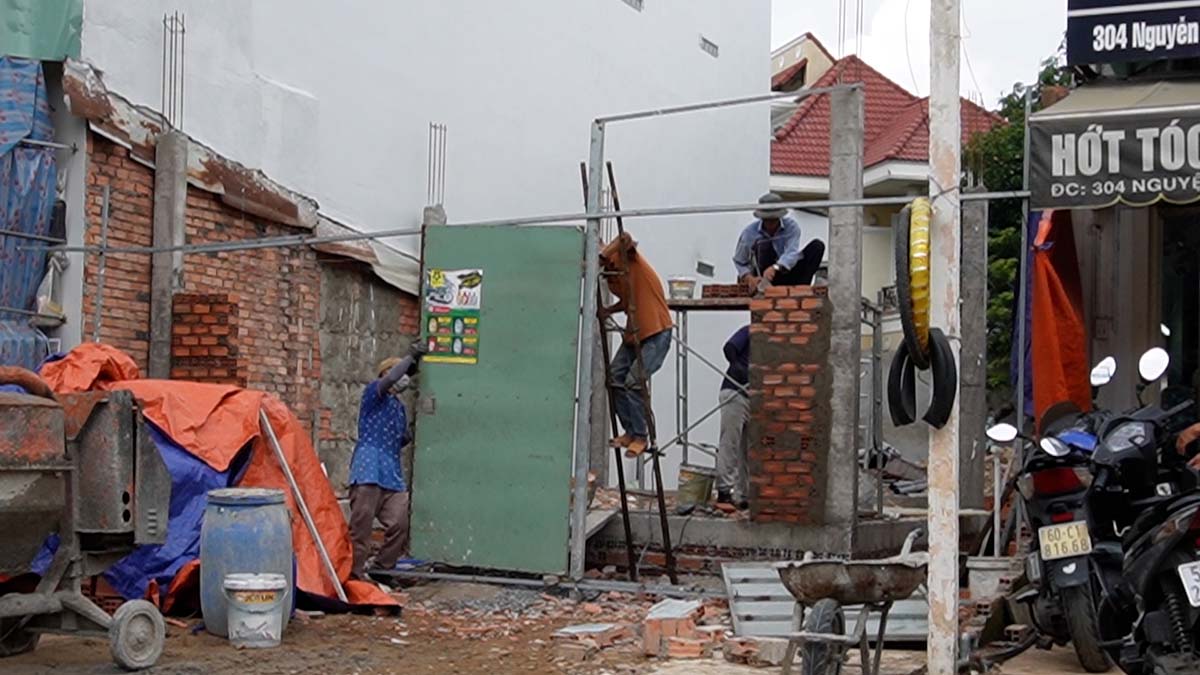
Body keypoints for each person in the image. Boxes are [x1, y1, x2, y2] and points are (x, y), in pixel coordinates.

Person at [348, 343, 425, 579]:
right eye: (402, 374)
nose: (405, 381)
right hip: (368, 470)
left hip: (391, 474)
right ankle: (353, 573)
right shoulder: (374, 394)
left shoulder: (398, 408)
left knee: (399, 523)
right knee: (361, 528)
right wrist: (409, 355)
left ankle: (383, 568)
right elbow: (392, 378)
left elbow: (402, 438)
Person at [600, 232, 673, 458]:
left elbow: (625, 237)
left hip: (655, 331)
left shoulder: (627, 259)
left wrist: (603, 254)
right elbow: (628, 301)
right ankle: (630, 431)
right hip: (634, 334)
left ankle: (641, 436)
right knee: (613, 378)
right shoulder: (611, 275)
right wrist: (607, 311)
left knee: (633, 382)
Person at [733, 192, 825, 288]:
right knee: (764, 245)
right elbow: (740, 261)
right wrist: (749, 278)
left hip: (786, 271)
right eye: (767, 220)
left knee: (817, 246)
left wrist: (775, 267)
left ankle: (802, 290)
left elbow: (791, 252)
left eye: (773, 220)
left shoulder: (791, 227)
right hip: (764, 278)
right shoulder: (750, 233)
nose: (770, 225)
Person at [717, 325, 751, 511]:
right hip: (735, 392)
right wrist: (738, 369)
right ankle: (724, 491)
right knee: (730, 441)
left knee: (748, 447)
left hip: (754, 396)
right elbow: (729, 347)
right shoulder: (750, 330)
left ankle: (743, 494)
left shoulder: (775, 341)